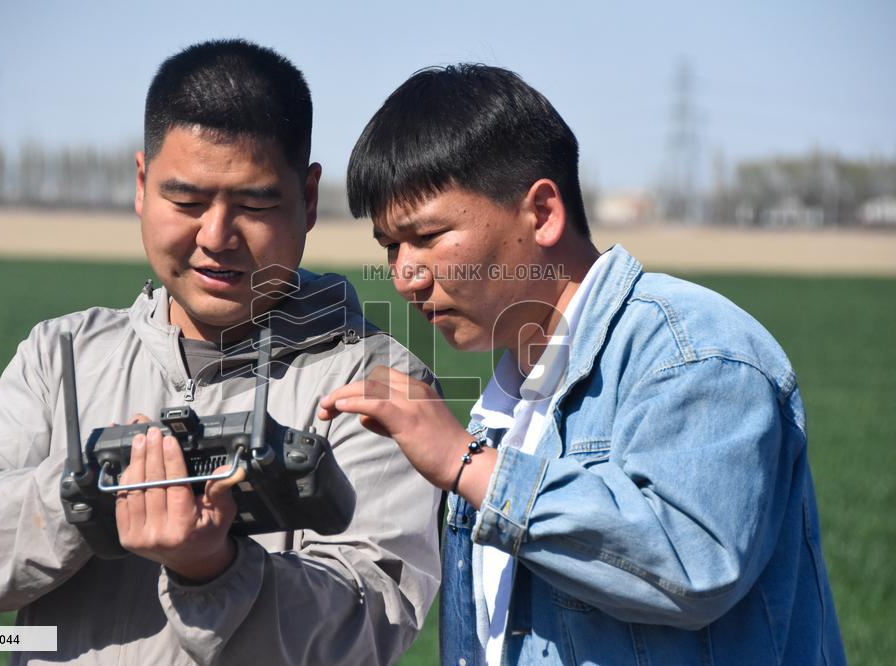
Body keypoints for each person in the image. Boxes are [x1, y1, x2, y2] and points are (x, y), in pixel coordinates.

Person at [0, 39, 441, 665]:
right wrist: (80, 496)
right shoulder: (63, 355)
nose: (216, 237)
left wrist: (211, 569)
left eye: (254, 204)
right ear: (142, 185)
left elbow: (365, 624)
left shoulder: (374, 383)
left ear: (307, 199)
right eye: (186, 202)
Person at [319, 64, 845, 665]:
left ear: (542, 213)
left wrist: (463, 462)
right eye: (391, 247)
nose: (405, 275)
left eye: (429, 235)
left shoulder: (688, 349)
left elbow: (695, 563)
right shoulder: (510, 401)